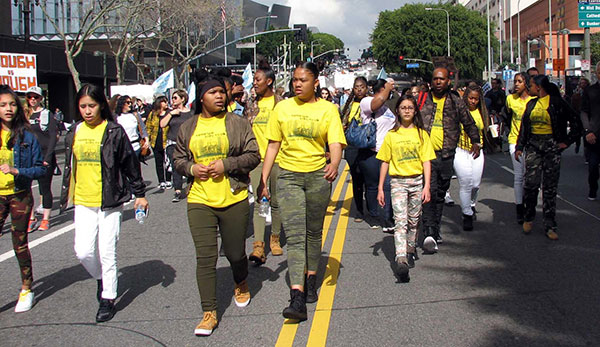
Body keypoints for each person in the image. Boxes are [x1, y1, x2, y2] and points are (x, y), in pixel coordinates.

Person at [258, 62, 346, 322]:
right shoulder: (282, 108)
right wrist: (264, 179)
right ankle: (296, 296)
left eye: (303, 80)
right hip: (288, 176)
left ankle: (311, 277)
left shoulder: (328, 109)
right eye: (295, 80)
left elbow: (335, 142)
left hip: (318, 176)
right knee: (295, 236)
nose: (297, 84)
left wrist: (334, 163)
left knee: (313, 232)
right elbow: (273, 145)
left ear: (315, 82)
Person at [173, 71, 260, 336]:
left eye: (222, 92)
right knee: (206, 257)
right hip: (200, 200)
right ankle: (208, 312)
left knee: (235, 254)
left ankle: (240, 280)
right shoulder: (188, 127)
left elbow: (253, 155)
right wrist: (190, 168)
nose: (220, 96)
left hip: (233, 197)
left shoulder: (238, 123)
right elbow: (177, 159)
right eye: (214, 93)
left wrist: (227, 164)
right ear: (202, 98)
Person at [59, 84, 148, 322]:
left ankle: (108, 297)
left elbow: (130, 164)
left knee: (108, 251)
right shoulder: (74, 131)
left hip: (110, 200)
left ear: (101, 106)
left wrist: (140, 193)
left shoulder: (113, 131)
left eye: (92, 106)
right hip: (83, 200)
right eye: (82, 106)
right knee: (84, 251)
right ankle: (100, 277)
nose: (87, 111)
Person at [420, 67, 481, 253]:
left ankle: (435, 230)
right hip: (426, 156)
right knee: (428, 192)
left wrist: (476, 141)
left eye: (442, 79)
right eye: (435, 79)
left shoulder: (455, 101)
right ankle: (429, 231)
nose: (438, 82)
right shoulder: (422, 99)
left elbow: (468, 122)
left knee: (439, 194)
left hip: (446, 155)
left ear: (448, 81)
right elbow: (407, 118)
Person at [515, 75, 581, 240]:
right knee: (531, 184)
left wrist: (566, 142)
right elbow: (524, 128)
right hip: (533, 147)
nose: (529, 89)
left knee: (549, 188)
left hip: (551, 147)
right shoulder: (531, 104)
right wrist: (519, 147)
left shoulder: (556, 103)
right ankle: (528, 217)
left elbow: (576, 122)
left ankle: (550, 224)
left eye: (530, 85)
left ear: (539, 87)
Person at [376, 94, 434, 282]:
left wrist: (426, 186)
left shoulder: (421, 134)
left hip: (417, 181)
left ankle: (410, 247)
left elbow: (426, 161)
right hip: (398, 182)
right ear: (398, 111)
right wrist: (380, 188)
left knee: (413, 220)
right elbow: (385, 161)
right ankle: (401, 258)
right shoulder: (392, 135)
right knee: (400, 221)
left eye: (410, 107)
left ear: (415, 110)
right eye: (403, 108)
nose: (407, 110)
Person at [0, 85, 46, 313]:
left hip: (19, 194)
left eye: (11, 104)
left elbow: (39, 169)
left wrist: (18, 171)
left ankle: (27, 287)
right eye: (2, 105)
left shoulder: (27, 136)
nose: (8, 109)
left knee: (19, 243)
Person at [244, 63, 284, 265]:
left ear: (269, 81)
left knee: (276, 201)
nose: (255, 83)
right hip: (257, 161)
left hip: (279, 160)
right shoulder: (251, 105)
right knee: (261, 200)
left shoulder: (282, 104)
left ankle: (274, 238)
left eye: (258, 79)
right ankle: (258, 245)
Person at [356, 79, 396, 231]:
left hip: (387, 154)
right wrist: (388, 87)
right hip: (370, 152)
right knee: (372, 186)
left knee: (387, 185)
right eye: (387, 89)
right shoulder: (367, 102)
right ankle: (374, 215)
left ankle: (386, 218)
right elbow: (377, 102)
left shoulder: (387, 108)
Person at [453, 85, 491, 231]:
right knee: (465, 183)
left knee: (475, 184)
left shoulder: (482, 112)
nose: (473, 101)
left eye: (476, 99)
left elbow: (486, 129)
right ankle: (466, 214)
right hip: (461, 150)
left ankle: (472, 204)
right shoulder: (459, 112)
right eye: (470, 98)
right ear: (465, 98)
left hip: (477, 152)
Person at [24, 86, 58, 233]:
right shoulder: (24, 115)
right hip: (27, 157)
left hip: (43, 156)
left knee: (44, 188)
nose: (33, 100)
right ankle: (31, 218)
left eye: (35, 97)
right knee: (26, 189)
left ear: (41, 99)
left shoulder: (46, 114)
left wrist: (48, 157)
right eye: (30, 97)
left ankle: (46, 218)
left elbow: (52, 136)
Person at [501, 72, 534, 224]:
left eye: (520, 81)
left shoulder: (535, 100)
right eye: (515, 81)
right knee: (519, 175)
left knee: (530, 176)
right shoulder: (510, 99)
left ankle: (530, 205)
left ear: (527, 83)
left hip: (532, 142)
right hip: (515, 141)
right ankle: (519, 207)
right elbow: (506, 117)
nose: (516, 84)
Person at [341, 77, 368, 222]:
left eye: (362, 87)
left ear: (367, 88)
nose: (359, 89)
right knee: (356, 178)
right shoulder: (348, 105)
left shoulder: (371, 103)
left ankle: (371, 206)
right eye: (356, 87)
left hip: (367, 145)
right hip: (352, 146)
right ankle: (359, 210)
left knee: (368, 178)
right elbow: (342, 121)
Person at [160, 90, 193, 202]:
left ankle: (190, 186)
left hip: (187, 144)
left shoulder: (190, 113)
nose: (172, 100)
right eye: (172, 98)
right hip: (173, 144)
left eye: (175, 98)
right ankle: (177, 190)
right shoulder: (170, 112)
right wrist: (170, 114)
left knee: (188, 165)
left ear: (182, 99)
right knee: (176, 167)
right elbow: (162, 124)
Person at [581, 63, 600, 201]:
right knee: (593, 167)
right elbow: (584, 112)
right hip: (593, 135)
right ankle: (593, 188)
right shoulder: (590, 91)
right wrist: (587, 130)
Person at [146, 96, 172, 189]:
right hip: (156, 140)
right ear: (159, 103)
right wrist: (147, 139)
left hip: (166, 140)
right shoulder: (153, 114)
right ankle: (161, 181)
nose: (166, 103)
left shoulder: (170, 113)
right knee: (158, 162)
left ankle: (168, 180)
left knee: (168, 161)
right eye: (164, 102)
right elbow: (148, 127)